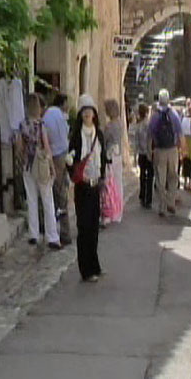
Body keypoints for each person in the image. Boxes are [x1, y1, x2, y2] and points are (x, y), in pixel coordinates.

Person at [68, 94, 107, 282]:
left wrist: (103, 178)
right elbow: (70, 160)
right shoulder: (77, 136)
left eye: (90, 110)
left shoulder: (98, 135)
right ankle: (86, 270)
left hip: (95, 185)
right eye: (84, 111)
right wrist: (76, 173)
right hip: (82, 187)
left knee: (93, 227)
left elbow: (103, 157)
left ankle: (94, 265)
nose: (87, 114)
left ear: (94, 113)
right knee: (83, 227)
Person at [17, 94, 61, 250]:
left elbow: (19, 147)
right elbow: (46, 147)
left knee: (32, 199)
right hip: (41, 164)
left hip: (28, 166)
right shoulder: (40, 125)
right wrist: (52, 167)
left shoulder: (22, 125)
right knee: (47, 200)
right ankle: (52, 236)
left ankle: (33, 234)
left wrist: (24, 157)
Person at [43, 93, 72, 245]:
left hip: (54, 155)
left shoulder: (48, 116)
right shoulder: (60, 115)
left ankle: (53, 229)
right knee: (61, 194)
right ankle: (64, 232)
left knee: (54, 194)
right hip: (61, 155)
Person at [149, 89, 183, 217]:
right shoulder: (174, 114)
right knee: (173, 177)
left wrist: (149, 151)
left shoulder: (155, 116)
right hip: (172, 150)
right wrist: (182, 149)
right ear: (168, 100)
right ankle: (171, 202)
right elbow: (180, 133)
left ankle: (162, 206)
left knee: (160, 179)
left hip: (159, 150)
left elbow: (150, 134)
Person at [103, 99, 124, 224]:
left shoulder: (109, 126)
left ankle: (110, 210)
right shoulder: (120, 124)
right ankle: (118, 211)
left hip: (110, 156)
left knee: (110, 184)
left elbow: (104, 141)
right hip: (118, 155)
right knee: (118, 183)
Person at [135, 103, 154, 208]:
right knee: (150, 176)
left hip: (141, 153)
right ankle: (148, 199)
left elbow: (136, 142)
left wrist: (135, 155)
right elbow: (152, 139)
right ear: (147, 113)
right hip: (149, 153)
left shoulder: (138, 126)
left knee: (142, 175)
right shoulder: (150, 125)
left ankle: (142, 196)